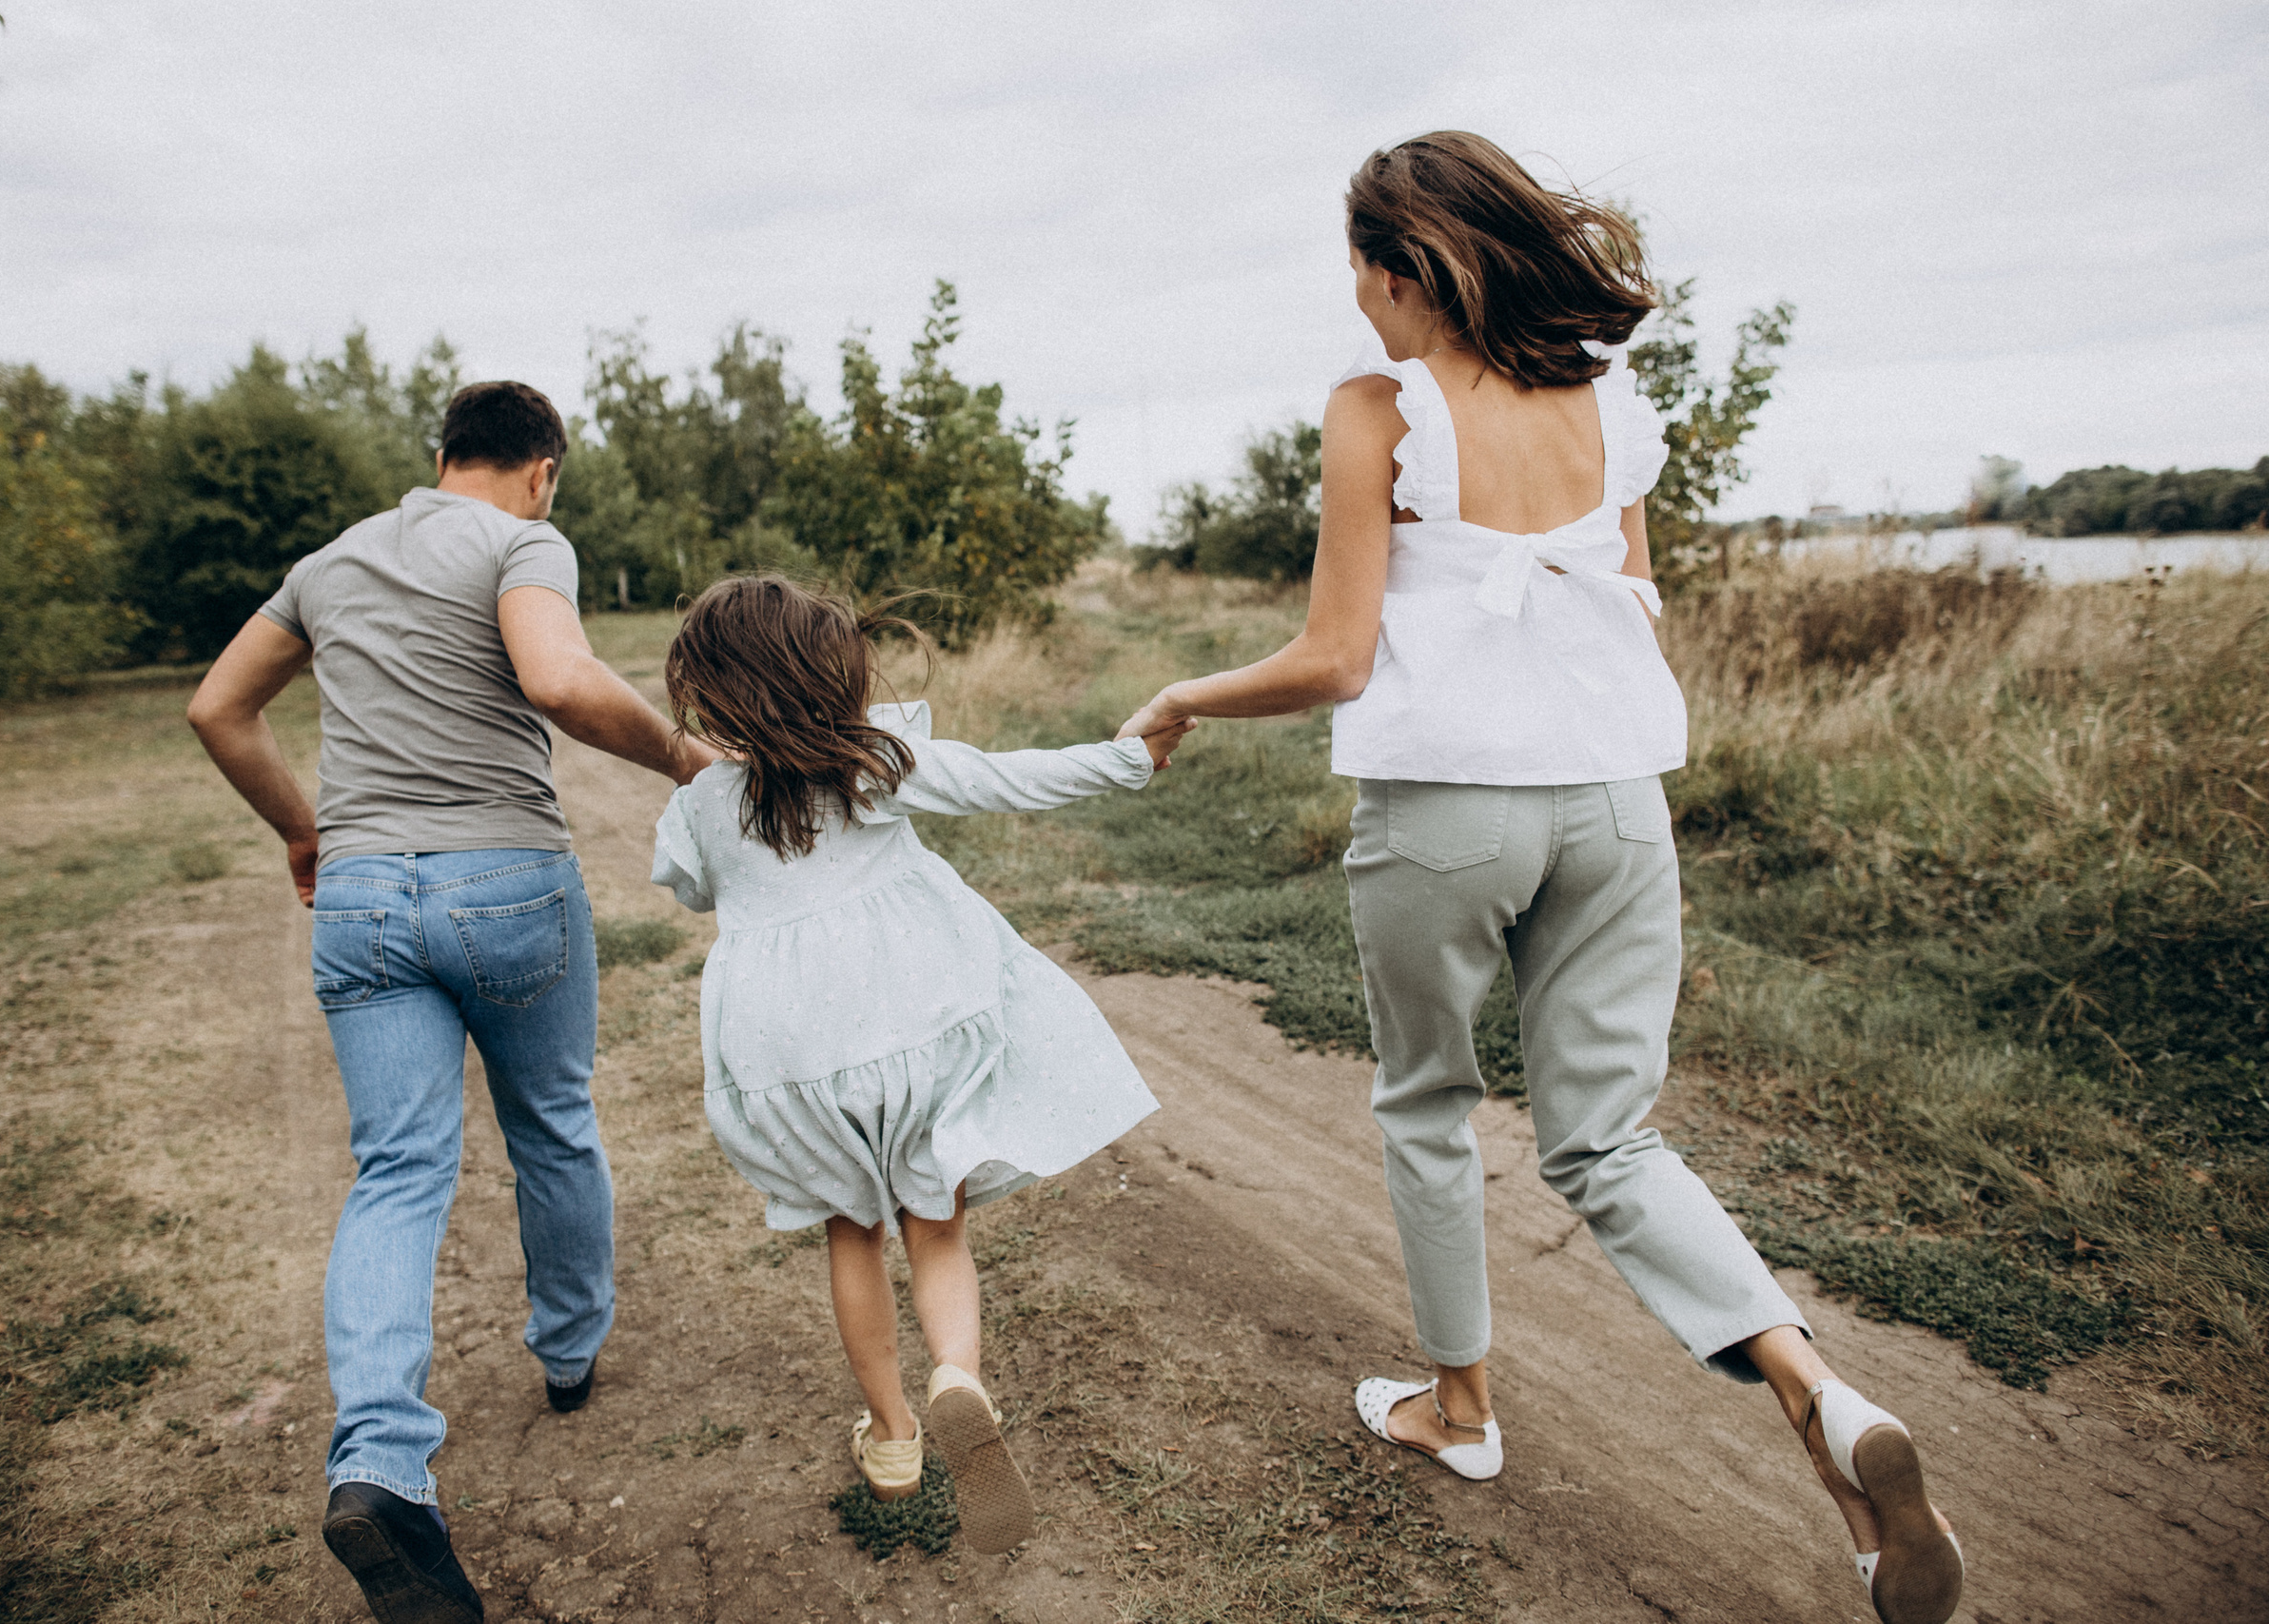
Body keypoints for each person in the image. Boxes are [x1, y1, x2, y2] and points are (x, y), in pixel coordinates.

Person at [1113, 132, 1965, 1624]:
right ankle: (1822, 1394)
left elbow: (1334, 657)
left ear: (1406, 267)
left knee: (1430, 1103)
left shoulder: (1379, 408)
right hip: (1619, 803)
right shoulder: (1612, 408)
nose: (1361, 306)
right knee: (1612, 1139)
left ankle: (1462, 1406)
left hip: (1453, 808)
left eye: (1364, 275)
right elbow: (1624, 598)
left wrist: (1184, 690)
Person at [187, 380, 713, 1624]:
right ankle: (570, 1354)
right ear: (543, 470)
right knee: (553, 1120)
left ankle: (377, 1461)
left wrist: (305, 831)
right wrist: (691, 761)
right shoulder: (526, 539)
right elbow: (563, 680)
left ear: (437, 458)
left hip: (363, 897)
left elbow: (218, 707)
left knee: (397, 1172)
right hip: (507, 881)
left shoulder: (328, 562)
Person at [649, 576, 1189, 1554]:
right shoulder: (873, 765)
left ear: (713, 698)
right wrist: (1128, 762)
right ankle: (958, 1377)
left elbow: (688, 888)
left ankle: (894, 1438)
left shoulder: (701, 804)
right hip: (913, 1021)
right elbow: (1005, 778)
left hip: (792, 1055)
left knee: (850, 1228)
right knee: (933, 1224)